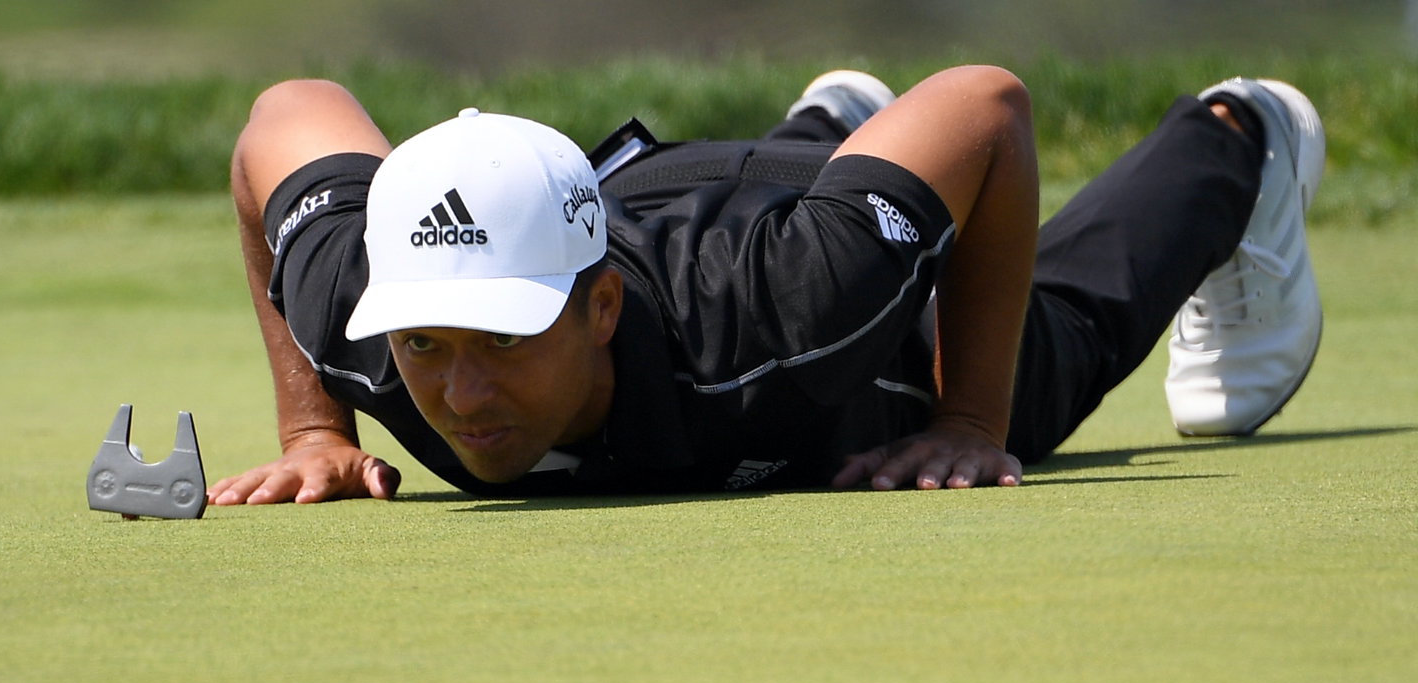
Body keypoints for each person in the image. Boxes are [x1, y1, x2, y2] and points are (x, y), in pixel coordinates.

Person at [207, 64, 1323, 504]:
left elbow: (988, 106)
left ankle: (1241, 136)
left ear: (598, 311)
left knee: (1053, 345)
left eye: (502, 339)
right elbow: (282, 115)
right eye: (429, 346)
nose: (455, 395)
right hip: (655, 194)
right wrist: (315, 425)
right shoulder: (363, 302)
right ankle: (838, 127)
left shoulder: (784, 312)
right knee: (818, 213)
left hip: (777, 251)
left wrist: (971, 415)